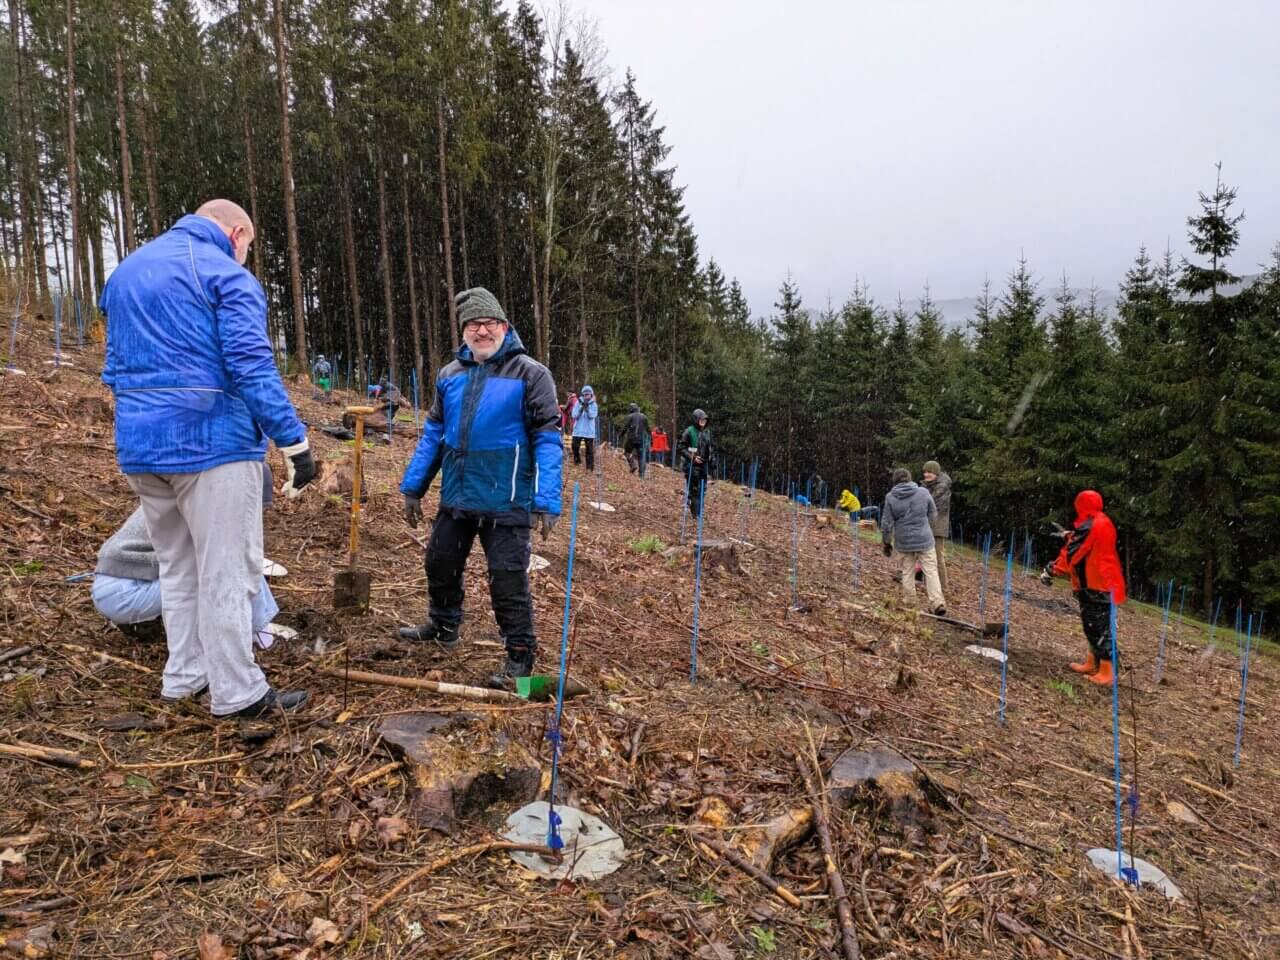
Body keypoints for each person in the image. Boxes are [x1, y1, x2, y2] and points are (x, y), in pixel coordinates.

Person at [99, 199, 315, 718]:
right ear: (237, 233)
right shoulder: (224, 273)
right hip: (212, 443)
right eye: (249, 247)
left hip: (141, 447)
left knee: (178, 567)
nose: (245, 256)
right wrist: (293, 442)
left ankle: (185, 678)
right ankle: (239, 693)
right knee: (227, 569)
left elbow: (115, 366)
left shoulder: (128, 271)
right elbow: (250, 364)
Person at [398, 287, 563, 689]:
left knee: (507, 579)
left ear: (505, 328)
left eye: (490, 323)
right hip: (457, 493)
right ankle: (443, 627)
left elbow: (548, 438)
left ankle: (520, 657)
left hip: (506, 498)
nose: (482, 331)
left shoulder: (530, 373)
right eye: (474, 324)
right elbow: (434, 434)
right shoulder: (450, 375)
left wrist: (546, 499)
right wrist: (414, 486)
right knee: (439, 561)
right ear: (464, 331)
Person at [1041, 490, 1127, 685]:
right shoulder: (1102, 521)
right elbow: (1088, 541)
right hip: (1102, 582)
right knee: (1092, 625)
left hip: (1097, 584)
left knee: (1099, 628)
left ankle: (1107, 672)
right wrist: (1070, 534)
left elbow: (1074, 554)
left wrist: (1052, 569)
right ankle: (1092, 662)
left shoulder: (1091, 525)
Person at [880, 468, 945, 615]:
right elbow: (933, 513)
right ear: (910, 478)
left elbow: (886, 523)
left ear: (894, 481)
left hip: (903, 541)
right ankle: (937, 602)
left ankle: (910, 602)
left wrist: (886, 542)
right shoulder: (923, 492)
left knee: (907, 571)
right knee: (931, 571)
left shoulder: (890, 497)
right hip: (924, 538)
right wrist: (928, 528)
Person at [921, 460, 952, 595]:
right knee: (923, 554)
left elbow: (932, 505)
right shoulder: (927, 486)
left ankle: (944, 589)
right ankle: (928, 583)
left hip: (937, 526)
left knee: (938, 557)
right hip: (926, 524)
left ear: (936, 474)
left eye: (930, 472)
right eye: (925, 472)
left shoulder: (942, 488)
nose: (926, 475)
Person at [679, 409, 713, 519]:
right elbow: (681, 447)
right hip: (691, 465)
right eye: (701, 419)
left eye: (705, 420)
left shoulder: (707, 432)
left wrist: (712, 460)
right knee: (695, 490)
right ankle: (696, 514)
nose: (703, 421)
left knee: (703, 490)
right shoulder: (689, 431)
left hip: (703, 466)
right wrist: (692, 457)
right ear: (696, 420)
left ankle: (699, 511)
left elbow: (709, 448)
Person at [571, 385, 599, 471]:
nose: (586, 396)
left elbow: (593, 415)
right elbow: (574, 415)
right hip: (578, 430)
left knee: (589, 450)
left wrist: (587, 409)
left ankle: (589, 468)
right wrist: (581, 409)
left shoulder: (594, 404)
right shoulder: (578, 403)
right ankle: (577, 460)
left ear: (591, 395)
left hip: (589, 431)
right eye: (585, 394)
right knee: (574, 446)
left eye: (588, 394)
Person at [622, 403, 650, 477]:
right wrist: (651, 439)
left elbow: (625, 427)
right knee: (641, 457)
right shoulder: (644, 417)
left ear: (631, 409)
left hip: (631, 439)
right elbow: (648, 429)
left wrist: (621, 435)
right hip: (641, 440)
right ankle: (641, 474)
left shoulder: (630, 416)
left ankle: (633, 465)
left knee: (627, 452)